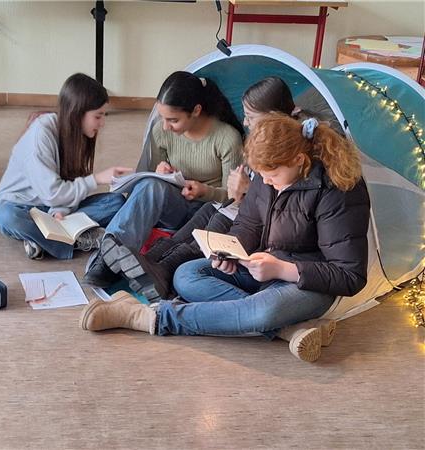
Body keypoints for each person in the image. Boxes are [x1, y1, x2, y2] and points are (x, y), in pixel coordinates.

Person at [79, 114, 370, 362]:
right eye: (262, 175)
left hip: (307, 282)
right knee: (187, 274)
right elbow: (247, 225)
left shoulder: (339, 190)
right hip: (262, 269)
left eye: (273, 174)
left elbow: (350, 275)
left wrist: (283, 270)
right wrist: (229, 253)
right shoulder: (265, 178)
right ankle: (286, 329)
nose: (265, 182)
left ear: (298, 160)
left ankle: (146, 317)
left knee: (265, 309)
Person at [103, 77, 301, 301]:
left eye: (251, 117)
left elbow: (275, 204)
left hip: (243, 215)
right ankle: (146, 264)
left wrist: (244, 192)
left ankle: (161, 272)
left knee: (201, 240)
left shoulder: (280, 151)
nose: (245, 123)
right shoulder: (260, 140)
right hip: (230, 206)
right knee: (186, 234)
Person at [83, 71, 244, 285]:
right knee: (150, 184)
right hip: (173, 204)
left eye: (173, 120)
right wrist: (159, 171)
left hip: (208, 212)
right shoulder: (161, 131)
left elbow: (233, 198)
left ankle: (121, 259)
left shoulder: (226, 138)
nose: (166, 126)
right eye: (163, 118)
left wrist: (205, 191)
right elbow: (148, 176)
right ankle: (107, 257)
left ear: (196, 110)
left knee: (149, 192)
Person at [0, 73, 131, 260]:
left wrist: (61, 211)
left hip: (52, 207)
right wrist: (97, 179)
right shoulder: (40, 136)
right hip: (22, 206)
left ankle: (43, 241)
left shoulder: (76, 133)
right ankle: (76, 240)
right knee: (7, 216)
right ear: (77, 113)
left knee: (116, 202)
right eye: (98, 116)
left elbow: (71, 184)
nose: (102, 123)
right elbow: (52, 193)